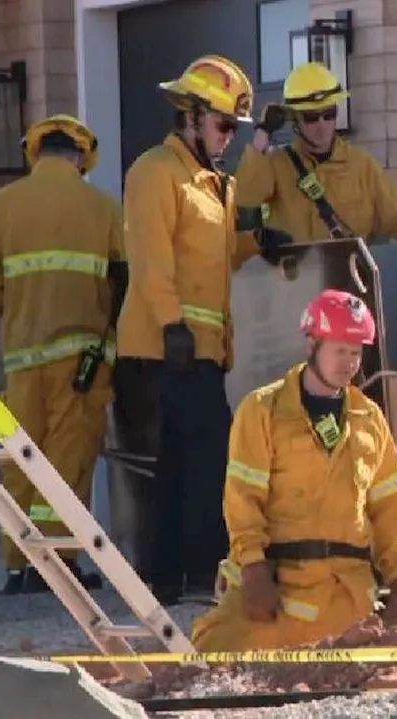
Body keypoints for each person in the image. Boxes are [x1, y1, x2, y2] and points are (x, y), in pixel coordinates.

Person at [116, 55, 274, 605]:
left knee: (188, 465)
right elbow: (150, 259)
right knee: (202, 462)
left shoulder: (213, 185)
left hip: (202, 351)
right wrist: (171, 326)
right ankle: (198, 575)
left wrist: (258, 244)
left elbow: (219, 256)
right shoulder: (154, 172)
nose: (228, 137)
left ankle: (173, 579)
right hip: (165, 350)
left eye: (233, 128)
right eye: (224, 125)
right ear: (191, 116)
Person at [190, 288, 397, 651]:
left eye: (356, 352)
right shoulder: (263, 410)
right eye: (340, 350)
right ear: (312, 345)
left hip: (345, 599)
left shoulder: (369, 419)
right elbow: (243, 498)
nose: (350, 362)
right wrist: (253, 569)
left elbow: (391, 507)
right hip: (275, 592)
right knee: (211, 653)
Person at [0, 114, 124, 595]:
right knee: (67, 460)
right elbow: (124, 279)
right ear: (80, 158)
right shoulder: (102, 208)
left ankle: (18, 564)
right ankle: (59, 565)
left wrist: (18, 315)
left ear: (37, 154)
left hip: (20, 358)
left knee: (20, 459)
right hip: (82, 358)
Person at [236, 62, 397, 250]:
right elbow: (245, 197)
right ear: (295, 120)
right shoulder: (276, 165)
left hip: (349, 291)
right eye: (311, 118)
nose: (322, 125)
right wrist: (262, 134)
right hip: (296, 290)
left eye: (329, 114)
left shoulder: (360, 165)